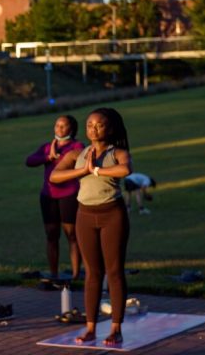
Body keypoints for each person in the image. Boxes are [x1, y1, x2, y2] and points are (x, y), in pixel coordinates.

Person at [50, 107, 131, 347]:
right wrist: (82, 170)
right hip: (85, 215)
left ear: (111, 128)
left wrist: (95, 170)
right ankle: (90, 328)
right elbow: (55, 175)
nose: (93, 129)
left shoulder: (117, 152)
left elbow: (125, 170)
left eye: (99, 124)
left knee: (114, 271)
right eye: (89, 125)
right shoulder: (78, 153)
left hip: (112, 215)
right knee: (93, 274)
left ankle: (116, 328)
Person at [25, 115, 84, 280]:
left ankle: (75, 274)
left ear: (71, 129)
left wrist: (62, 157)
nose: (59, 128)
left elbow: (81, 157)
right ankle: (54, 274)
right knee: (51, 235)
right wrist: (48, 157)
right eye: (57, 125)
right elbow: (29, 161)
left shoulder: (76, 145)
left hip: (69, 195)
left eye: (63, 126)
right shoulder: (47, 147)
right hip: (48, 196)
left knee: (71, 234)